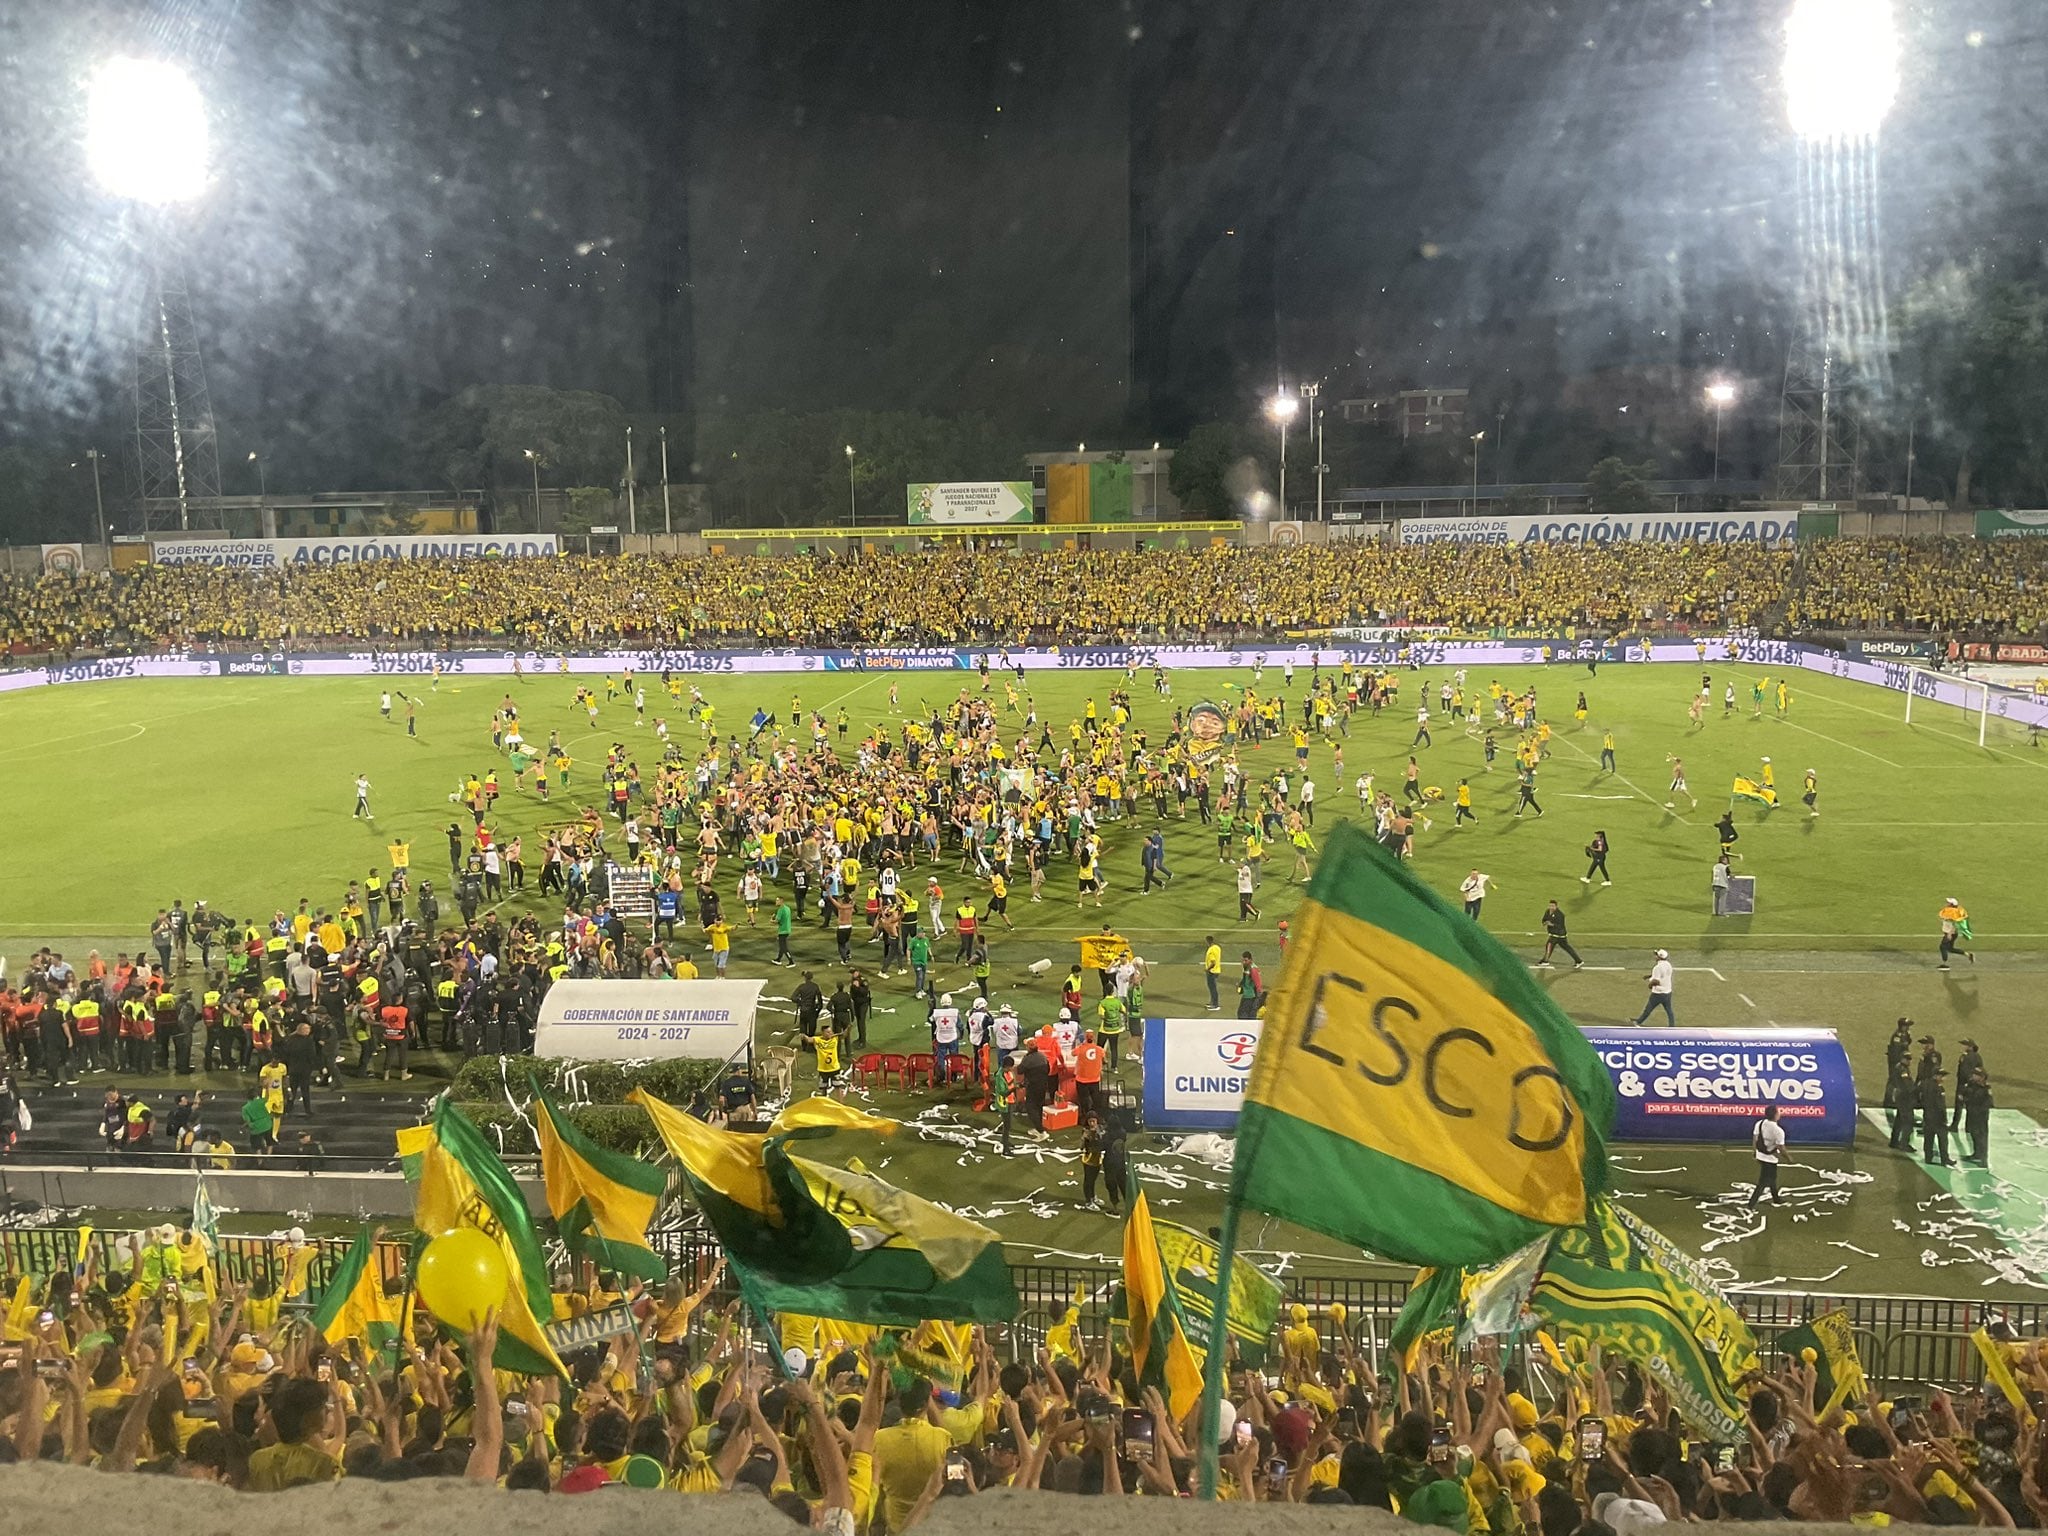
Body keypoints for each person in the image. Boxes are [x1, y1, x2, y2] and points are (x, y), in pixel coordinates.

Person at [1747, 1105, 1785, 1206]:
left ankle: (1776, 1199)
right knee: (1763, 1181)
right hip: (1770, 1159)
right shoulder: (1778, 1131)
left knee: (1772, 1178)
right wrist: (1788, 1158)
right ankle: (1751, 1204)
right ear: (1775, 1115)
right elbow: (1781, 1147)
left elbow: (1755, 1138)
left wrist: (1754, 1151)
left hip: (1760, 1155)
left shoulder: (1759, 1123)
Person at [1960, 1068, 1994, 1167]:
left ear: (1982, 1077)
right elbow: (1965, 1095)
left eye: (1976, 1075)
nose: (1973, 1076)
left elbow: (1989, 1102)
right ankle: (1976, 1154)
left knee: (1982, 1137)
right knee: (1974, 1134)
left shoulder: (1986, 1088)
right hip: (1972, 1114)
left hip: (1981, 1116)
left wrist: (1978, 1109)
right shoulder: (1971, 1085)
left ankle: (1983, 1157)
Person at [1921, 1068, 1955, 1166]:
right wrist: (1944, 1119)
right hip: (1938, 1119)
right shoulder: (1939, 1088)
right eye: (1941, 1076)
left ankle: (1928, 1157)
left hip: (1927, 1116)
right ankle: (1945, 1159)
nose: (1943, 1078)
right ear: (1936, 1076)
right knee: (1943, 1139)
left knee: (1928, 1139)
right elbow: (1940, 1105)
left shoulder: (1925, 1085)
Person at [1632, 949, 1674, 1026]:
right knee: (1669, 1010)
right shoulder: (1668, 965)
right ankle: (1672, 1026)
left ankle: (1638, 1022)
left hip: (1658, 993)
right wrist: (1649, 976)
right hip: (1668, 992)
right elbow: (1662, 975)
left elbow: (1656, 981)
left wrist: (1650, 985)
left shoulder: (1657, 967)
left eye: (1656, 955)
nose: (1655, 956)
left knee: (1648, 1008)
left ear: (1659, 957)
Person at [1537, 900, 1581, 969]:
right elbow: (1544, 920)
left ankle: (1545, 961)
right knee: (1566, 948)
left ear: (1556, 906)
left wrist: (1551, 924)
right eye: (1550, 906)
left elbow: (1560, 926)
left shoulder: (1560, 915)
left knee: (1549, 945)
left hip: (1559, 934)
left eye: (1553, 906)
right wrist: (1545, 923)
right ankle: (1579, 961)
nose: (1551, 907)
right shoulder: (1547, 911)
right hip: (1554, 934)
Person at [1938, 897, 1973, 968]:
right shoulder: (1951, 911)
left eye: (1948, 903)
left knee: (1942, 947)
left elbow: (1955, 924)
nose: (1947, 903)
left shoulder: (1953, 912)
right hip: (1951, 933)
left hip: (1950, 933)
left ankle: (1944, 964)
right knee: (1950, 949)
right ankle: (1968, 955)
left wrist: (1949, 934)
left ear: (1951, 904)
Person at [1203, 935, 1223, 1011]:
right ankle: (1212, 1003)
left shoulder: (1210, 950)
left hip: (1212, 972)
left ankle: (1215, 1004)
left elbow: (1213, 962)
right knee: (1213, 988)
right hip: (1217, 970)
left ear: (1208, 941)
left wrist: (1207, 969)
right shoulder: (1217, 948)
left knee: (1212, 988)